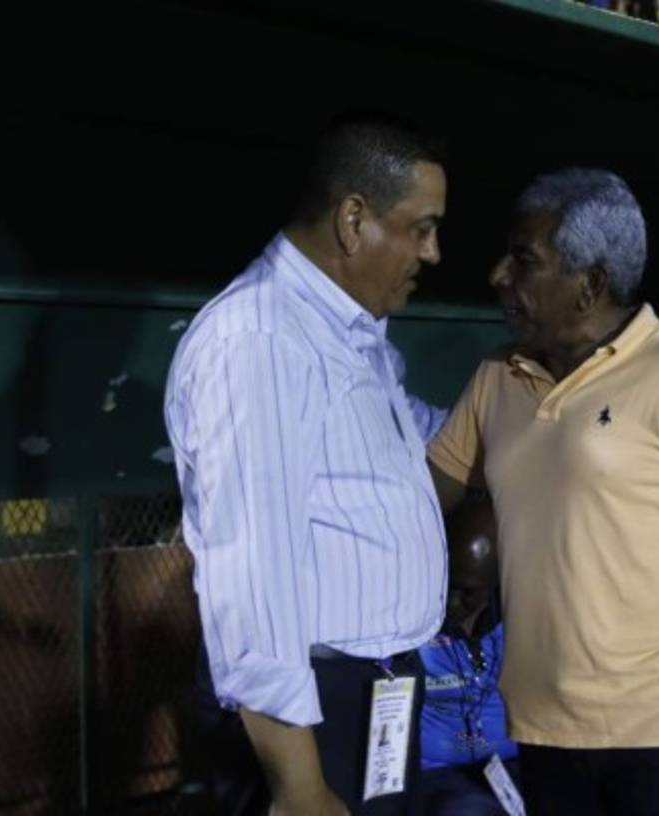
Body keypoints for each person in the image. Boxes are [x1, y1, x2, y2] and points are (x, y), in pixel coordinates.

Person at [427, 168, 659, 815]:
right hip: (544, 730)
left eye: (524, 261)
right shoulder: (496, 379)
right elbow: (421, 501)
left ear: (591, 285)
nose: (499, 276)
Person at [164, 112, 449, 815]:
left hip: (370, 696)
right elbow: (255, 573)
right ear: (354, 220)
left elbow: (418, 440)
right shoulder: (259, 338)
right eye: (421, 227)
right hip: (309, 718)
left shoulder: (349, 337)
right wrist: (298, 786)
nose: (434, 253)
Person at [419, 500, 520, 815]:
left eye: (468, 592)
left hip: (515, 762)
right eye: (446, 583)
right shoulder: (411, 622)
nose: (449, 601)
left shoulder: (522, 617)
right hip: (436, 771)